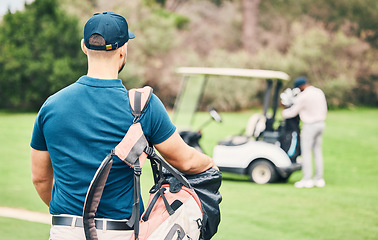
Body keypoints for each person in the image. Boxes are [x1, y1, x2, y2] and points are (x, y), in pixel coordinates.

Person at [30, 11, 217, 240]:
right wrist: (210, 162)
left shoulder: (51, 106)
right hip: (118, 233)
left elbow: (40, 179)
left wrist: (72, 218)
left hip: (63, 231)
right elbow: (184, 160)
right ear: (123, 50)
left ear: (84, 47)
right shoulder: (143, 106)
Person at [282, 76, 327, 188]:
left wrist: (283, 113)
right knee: (317, 151)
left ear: (302, 86)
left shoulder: (304, 96)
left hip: (310, 125)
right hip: (321, 123)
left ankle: (307, 179)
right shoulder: (319, 92)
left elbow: (294, 111)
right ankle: (319, 179)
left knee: (306, 152)